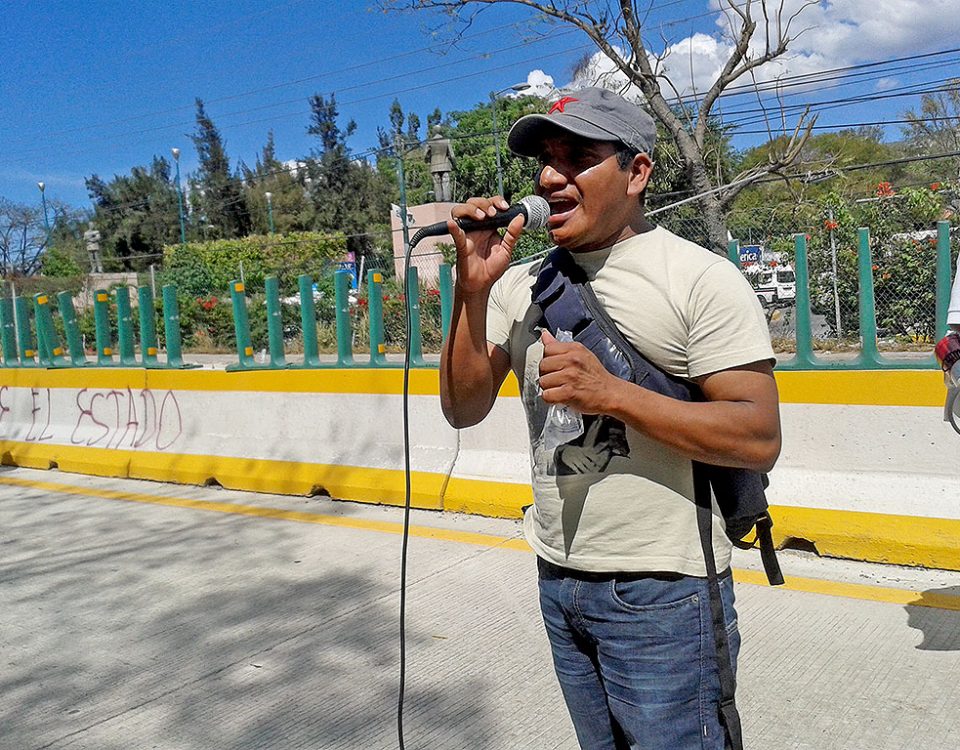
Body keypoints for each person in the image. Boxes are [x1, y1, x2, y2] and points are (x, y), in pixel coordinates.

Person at [439, 87, 781, 750]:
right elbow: (461, 407)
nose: (549, 175)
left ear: (637, 172)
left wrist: (613, 395)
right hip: (558, 576)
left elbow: (758, 436)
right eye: (545, 160)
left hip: (663, 591)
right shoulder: (522, 282)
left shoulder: (698, 279)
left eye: (577, 157)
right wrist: (471, 291)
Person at [425, 126, 455, 202]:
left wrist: (427, 161)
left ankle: (438, 200)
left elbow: (425, 154)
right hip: (445, 164)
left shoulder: (430, 142)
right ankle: (447, 199)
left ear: (434, 131)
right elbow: (452, 155)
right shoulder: (446, 140)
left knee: (436, 183)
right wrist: (454, 164)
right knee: (446, 182)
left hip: (434, 166)